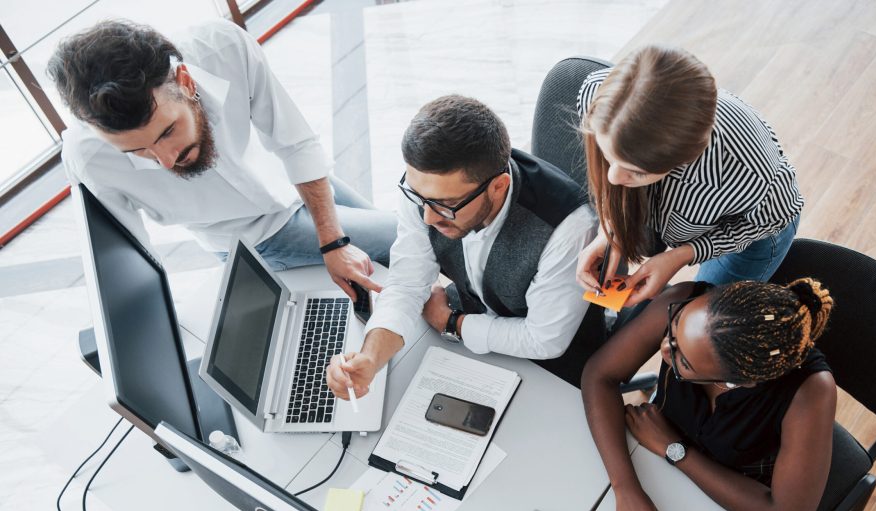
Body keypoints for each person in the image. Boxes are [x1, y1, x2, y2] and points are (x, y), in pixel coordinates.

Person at [48, 19, 395, 299]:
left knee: (412, 238)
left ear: (184, 81)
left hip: (293, 181)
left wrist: (333, 242)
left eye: (167, 131)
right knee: (411, 235)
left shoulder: (224, 48)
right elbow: (133, 259)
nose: (167, 161)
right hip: (257, 237)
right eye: (138, 151)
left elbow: (295, 143)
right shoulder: (88, 158)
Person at [326, 94, 602, 396]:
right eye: (420, 198)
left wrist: (452, 322)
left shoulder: (569, 228)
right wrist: (370, 358)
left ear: (498, 187)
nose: (428, 217)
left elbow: (545, 339)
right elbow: (407, 284)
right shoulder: (426, 191)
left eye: (446, 205)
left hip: (554, 364)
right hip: (471, 329)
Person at [580, 278, 836, 511]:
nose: (665, 347)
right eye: (674, 328)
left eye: (684, 362)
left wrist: (676, 450)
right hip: (651, 461)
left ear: (738, 382)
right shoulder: (684, 299)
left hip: (733, 503)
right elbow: (599, 374)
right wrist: (624, 487)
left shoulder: (811, 391)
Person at [575, 45, 803, 306]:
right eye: (608, 156)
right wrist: (610, 232)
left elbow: (778, 213)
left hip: (753, 229)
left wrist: (682, 255)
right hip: (681, 215)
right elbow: (616, 180)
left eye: (637, 171)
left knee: (704, 314)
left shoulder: (750, 169)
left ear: (686, 160)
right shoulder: (598, 96)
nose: (613, 177)